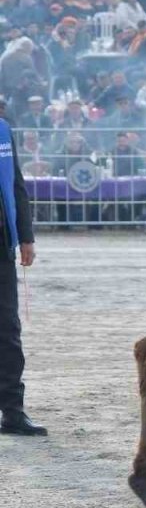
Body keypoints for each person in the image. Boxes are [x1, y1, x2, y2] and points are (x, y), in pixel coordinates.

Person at [0, 113, 42, 435]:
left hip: (2, 244)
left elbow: (15, 185)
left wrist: (25, 236)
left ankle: (13, 411)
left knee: (8, 330)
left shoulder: (3, 130)